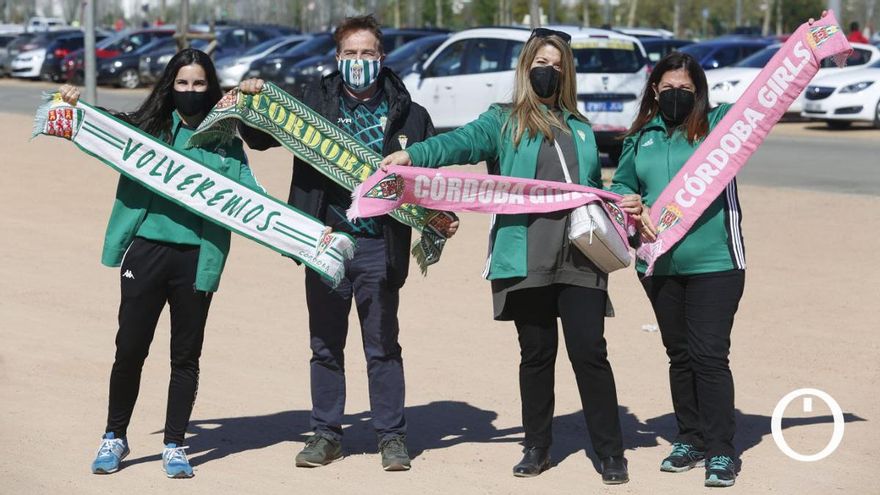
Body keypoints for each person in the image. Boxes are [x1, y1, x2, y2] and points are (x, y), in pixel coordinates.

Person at [381, 28, 639, 484]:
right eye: (541, 63)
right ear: (525, 68)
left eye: (557, 66)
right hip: (526, 258)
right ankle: (537, 447)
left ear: (567, 75)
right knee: (536, 356)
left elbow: (596, 187)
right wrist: (415, 156)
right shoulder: (502, 121)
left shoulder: (579, 128)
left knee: (590, 352)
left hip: (580, 258)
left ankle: (610, 451)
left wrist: (624, 197)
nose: (549, 71)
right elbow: (456, 143)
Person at [238, 14, 447, 471]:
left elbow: (430, 177)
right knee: (326, 344)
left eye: (367, 53)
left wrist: (440, 217)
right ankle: (326, 433)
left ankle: (391, 436)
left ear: (381, 57)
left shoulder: (410, 112)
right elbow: (261, 137)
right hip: (324, 241)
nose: (358, 61)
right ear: (337, 58)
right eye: (350, 53)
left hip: (379, 245)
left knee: (383, 344)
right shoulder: (314, 100)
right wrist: (250, 100)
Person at [60, 48, 262, 479]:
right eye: (183, 83)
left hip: (197, 260)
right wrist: (71, 104)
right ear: (171, 85)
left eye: (199, 84)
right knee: (130, 349)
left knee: (185, 357)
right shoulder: (148, 130)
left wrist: (305, 238)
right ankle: (114, 435)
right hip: (147, 255)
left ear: (212, 89)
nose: (190, 91)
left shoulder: (227, 140)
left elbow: (254, 202)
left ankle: (174, 444)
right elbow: (98, 127)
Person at [609, 51, 744, 488]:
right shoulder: (639, 137)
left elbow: (769, 100)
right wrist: (627, 200)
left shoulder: (721, 128)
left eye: (685, 89)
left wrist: (809, 49)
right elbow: (625, 184)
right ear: (654, 91)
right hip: (659, 261)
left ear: (699, 92)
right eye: (667, 89)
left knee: (708, 356)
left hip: (716, 262)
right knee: (679, 354)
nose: (675, 96)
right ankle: (690, 437)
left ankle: (722, 450)